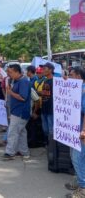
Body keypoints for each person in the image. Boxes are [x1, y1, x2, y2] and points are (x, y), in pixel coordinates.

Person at [1, 64, 31, 160]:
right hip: (17, 111)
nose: (8, 74)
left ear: (17, 72)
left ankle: (10, 152)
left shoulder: (23, 82)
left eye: (10, 72)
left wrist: (11, 93)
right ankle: (24, 152)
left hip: (20, 112)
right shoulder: (16, 80)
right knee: (21, 132)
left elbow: (22, 97)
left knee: (13, 132)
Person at [65, 67, 85, 198]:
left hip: (81, 131)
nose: (70, 77)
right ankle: (80, 182)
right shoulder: (76, 88)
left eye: (71, 75)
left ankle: (83, 189)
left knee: (77, 158)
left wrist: (83, 130)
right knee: (75, 156)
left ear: (78, 76)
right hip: (74, 129)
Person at [40, 62, 54, 142]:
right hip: (44, 109)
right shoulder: (45, 81)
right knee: (45, 129)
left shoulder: (56, 81)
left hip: (51, 110)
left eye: (45, 69)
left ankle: (52, 149)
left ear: (50, 70)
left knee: (51, 130)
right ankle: (48, 145)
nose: (43, 71)